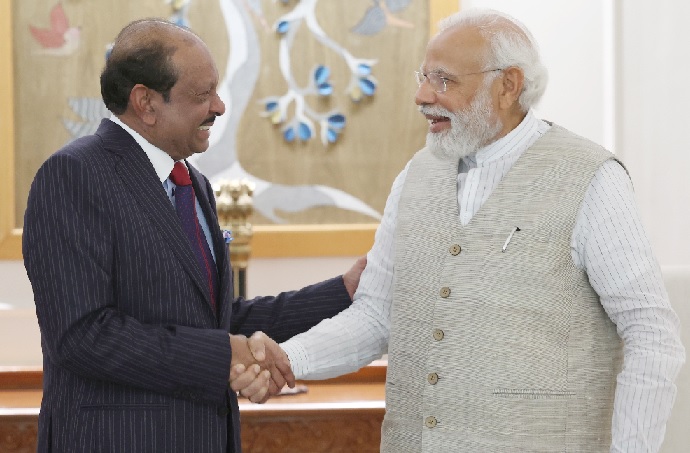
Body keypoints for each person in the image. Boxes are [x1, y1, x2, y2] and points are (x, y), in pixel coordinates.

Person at [268, 8, 686, 452]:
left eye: (444, 80)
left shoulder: (592, 177)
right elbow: (376, 316)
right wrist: (285, 358)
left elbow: (651, 334)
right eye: (423, 77)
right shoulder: (415, 176)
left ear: (508, 86)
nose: (422, 95)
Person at [22, 18, 365, 453]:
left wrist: (342, 292)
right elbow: (82, 336)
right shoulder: (74, 175)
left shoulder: (193, 183)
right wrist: (225, 354)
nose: (219, 107)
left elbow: (214, 321)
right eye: (202, 95)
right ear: (146, 102)